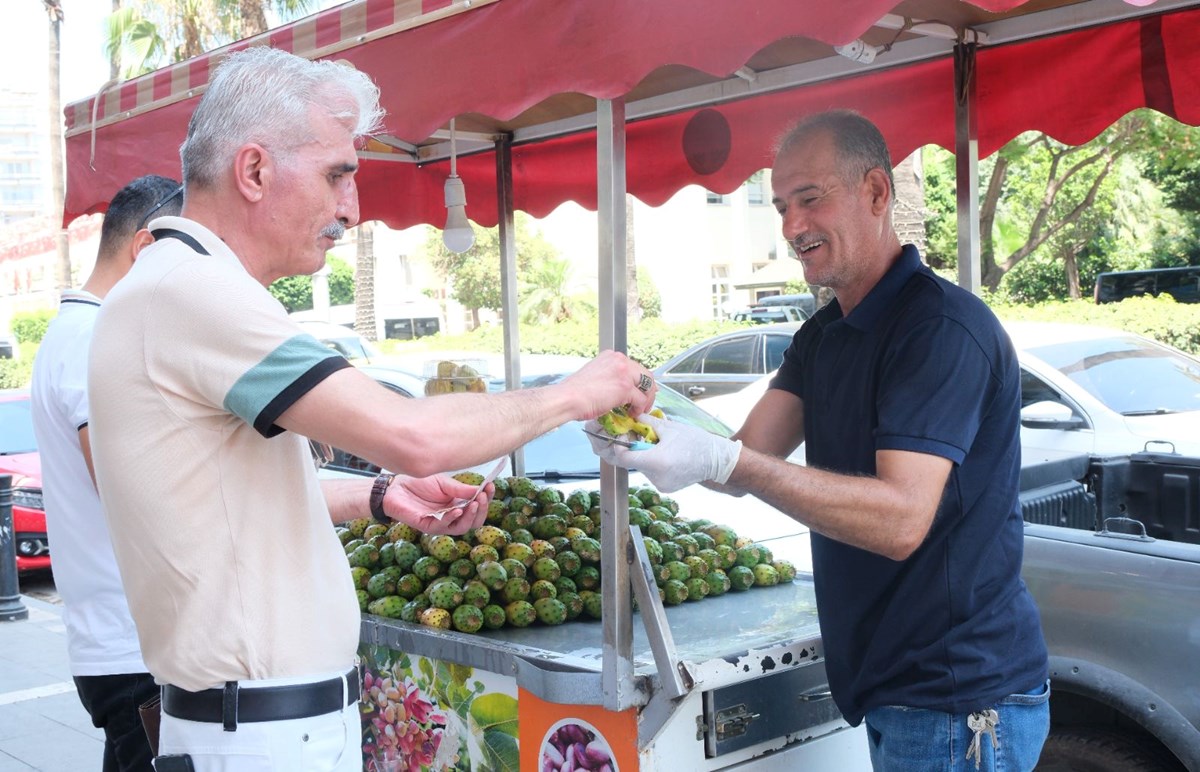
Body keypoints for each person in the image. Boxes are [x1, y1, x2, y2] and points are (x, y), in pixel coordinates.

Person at [86, 46, 656, 771]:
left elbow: (229, 499)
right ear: (254, 171)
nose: (350, 209)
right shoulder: (191, 293)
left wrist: (380, 497)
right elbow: (410, 433)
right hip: (258, 735)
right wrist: (578, 392)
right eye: (336, 175)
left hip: (256, 726)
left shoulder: (178, 288)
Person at [591, 110, 1049, 771]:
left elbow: (899, 520)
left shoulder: (940, 330)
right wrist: (651, 428)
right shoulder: (823, 335)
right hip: (891, 689)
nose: (792, 226)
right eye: (781, 207)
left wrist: (728, 459)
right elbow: (748, 453)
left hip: (959, 696)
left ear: (875, 192)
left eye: (810, 198)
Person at [29, 175, 183, 772]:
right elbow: (128, 489)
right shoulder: (96, 339)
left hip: (117, 638)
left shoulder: (73, 332)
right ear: (145, 249)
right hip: (131, 640)